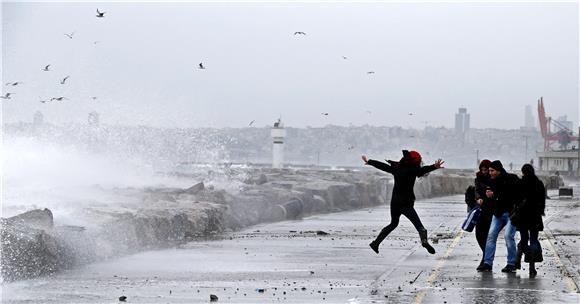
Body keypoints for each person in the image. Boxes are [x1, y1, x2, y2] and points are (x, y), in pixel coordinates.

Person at [362, 150, 445, 255]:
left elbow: (384, 166)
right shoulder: (414, 170)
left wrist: (370, 161)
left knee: (393, 223)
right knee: (420, 227)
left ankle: (376, 243)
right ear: (416, 161)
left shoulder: (397, 168)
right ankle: (424, 242)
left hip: (395, 203)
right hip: (406, 204)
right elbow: (423, 171)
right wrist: (434, 166)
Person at [477, 160, 521, 273]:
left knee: (508, 236)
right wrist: (487, 197)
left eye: (492, 171)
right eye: (489, 170)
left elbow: (512, 195)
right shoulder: (491, 182)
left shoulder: (512, 179)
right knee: (491, 236)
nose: (490, 173)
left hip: (512, 213)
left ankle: (511, 263)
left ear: (499, 170)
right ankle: (487, 263)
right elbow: (490, 199)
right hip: (498, 214)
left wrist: (495, 195)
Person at [512, 164, 545, 277]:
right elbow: (542, 201)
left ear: (523, 172)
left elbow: (516, 200)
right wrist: (539, 211)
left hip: (523, 217)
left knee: (524, 239)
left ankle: (517, 258)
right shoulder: (539, 183)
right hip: (535, 216)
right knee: (534, 240)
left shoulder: (520, 183)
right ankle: (532, 267)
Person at [474, 159, 493, 269]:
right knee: (479, 235)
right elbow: (476, 190)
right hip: (481, 209)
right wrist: (478, 198)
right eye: (483, 170)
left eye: (486, 170)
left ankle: (486, 260)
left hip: (491, 210)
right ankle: (486, 255)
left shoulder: (493, 178)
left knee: (487, 235)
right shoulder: (478, 178)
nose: (484, 172)